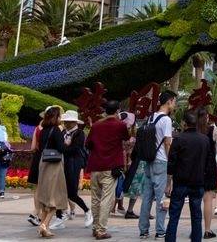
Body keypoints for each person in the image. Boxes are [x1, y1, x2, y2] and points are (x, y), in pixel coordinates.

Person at [87, 100, 130, 240]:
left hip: (95, 165)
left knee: (95, 199)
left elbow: (88, 144)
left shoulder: (96, 125)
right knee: (107, 199)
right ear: (117, 111)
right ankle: (101, 229)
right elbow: (127, 138)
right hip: (110, 167)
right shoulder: (120, 125)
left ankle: (95, 227)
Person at [165, 109, 209, 242]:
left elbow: (171, 162)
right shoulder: (204, 140)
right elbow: (208, 162)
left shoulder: (179, 139)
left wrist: (168, 182)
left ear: (185, 123)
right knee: (196, 215)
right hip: (198, 181)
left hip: (181, 181)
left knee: (174, 215)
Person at [139, 89, 176, 239]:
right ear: (169, 102)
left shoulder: (151, 117)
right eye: (174, 102)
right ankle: (160, 230)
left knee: (147, 197)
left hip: (149, 160)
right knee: (162, 198)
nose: (174, 105)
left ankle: (143, 230)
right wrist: (171, 160)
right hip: (161, 161)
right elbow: (167, 142)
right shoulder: (166, 120)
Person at [36, 106, 69, 238]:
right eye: (59, 116)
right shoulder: (56, 130)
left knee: (46, 198)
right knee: (55, 197)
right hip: (54, 166)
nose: (61, 118)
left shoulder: (43, 130)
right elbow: (61, 148)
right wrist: (67, 143)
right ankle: (44, 225)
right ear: (56, 117)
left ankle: (45, 227)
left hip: (43, 163)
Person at [197, 110, 217, 240]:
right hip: (209, 167)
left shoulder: (193, 130)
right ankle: (207, 230)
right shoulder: (211, 130)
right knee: (208, 199)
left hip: (194, 167)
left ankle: (195, 230)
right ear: (207, 117)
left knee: (195, 200)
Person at [61, 109, 92, 227]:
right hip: (62, 163)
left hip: (74, 164)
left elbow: (74, 149)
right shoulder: (63, 132)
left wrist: (63, 148)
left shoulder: (79, 133)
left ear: (74, 122)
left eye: (68, 122)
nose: (66, 123)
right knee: (61, 191)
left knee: (72, 193)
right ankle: (60, 216)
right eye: (65, 121)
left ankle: (87, 211)